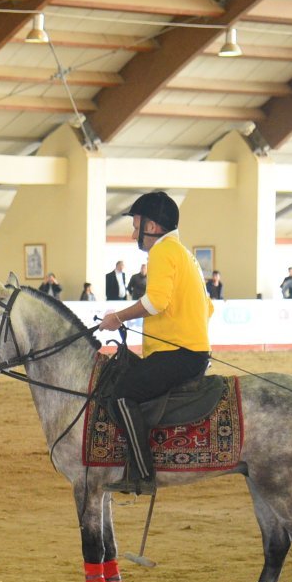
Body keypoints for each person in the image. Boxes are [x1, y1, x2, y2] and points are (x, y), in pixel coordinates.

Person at [97, 192, 212, 496]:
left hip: (178, 354)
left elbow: (156, 301)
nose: (134, 234)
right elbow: (207, 308)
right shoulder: (183, 254)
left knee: (122, 394)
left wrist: (118, 318)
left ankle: (143, 474)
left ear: (154, 225)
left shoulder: (162, 252)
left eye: (137, 226)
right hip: (191, 351)